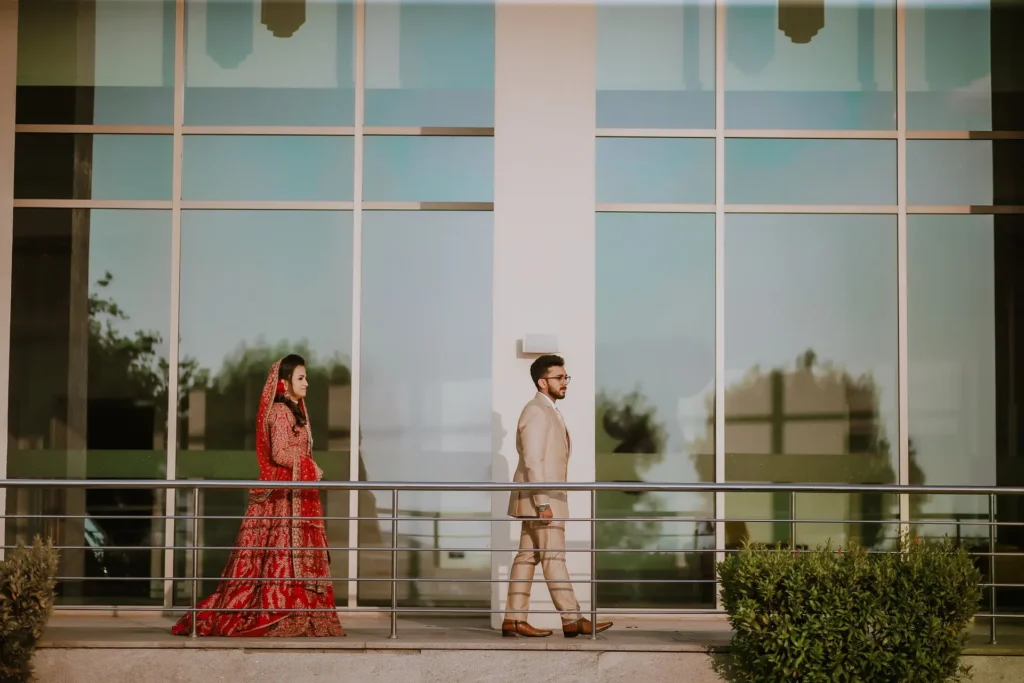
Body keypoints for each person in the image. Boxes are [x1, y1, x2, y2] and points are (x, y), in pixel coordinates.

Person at [171, 355, 344, 637]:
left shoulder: (294, 411)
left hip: (295, 493)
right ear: (284, 382)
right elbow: (278, 453)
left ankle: (302, 611)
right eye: (301, 378)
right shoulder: (279, 412)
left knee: (291, 554)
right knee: (277, 554)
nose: (307, 383)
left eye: (305, 377)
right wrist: (311, 466)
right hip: (280, 497)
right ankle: (276, 612)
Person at [502, 354, 613, 638]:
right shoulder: (537, 411)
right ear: (542, 382)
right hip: (543, 501)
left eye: (566, 377)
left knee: (527, 557)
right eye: (558, 378)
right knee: (554, 557)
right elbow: (533, 460)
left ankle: (513, 619)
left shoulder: (547, 410)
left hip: (541, 499)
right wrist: (543, 502)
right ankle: (572, 619)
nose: (565, 382)